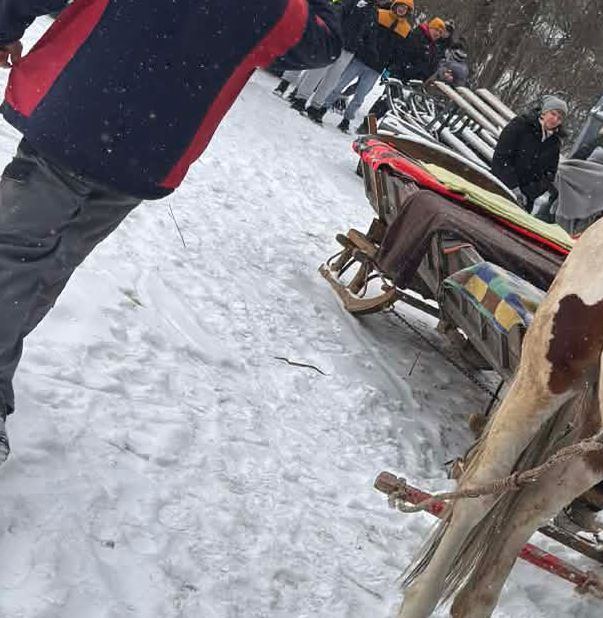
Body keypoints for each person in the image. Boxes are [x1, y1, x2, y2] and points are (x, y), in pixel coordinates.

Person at [0, 0, 341, 467]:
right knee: (48, 262)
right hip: (148, 146)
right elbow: (318, 40)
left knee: (20, 256)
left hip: (76, 106)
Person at [301, 0, 412, 132]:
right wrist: (362, 46)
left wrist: (389, 67)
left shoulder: (406, 29)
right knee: (338, 85)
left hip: (377, 67)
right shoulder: (379, 14)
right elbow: (366, 32)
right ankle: (322, 107)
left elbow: (399, 51)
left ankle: (348, 120)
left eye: (405, 8)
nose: (401, 10)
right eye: (400, 6)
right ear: (395, 5)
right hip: (360, 58)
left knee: (361, 96)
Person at [490, 95, 566, 207]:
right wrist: (513, 187)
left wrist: (529, 193)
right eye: (553, 114)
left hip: (525, 200)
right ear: (544, 112)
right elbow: (501, 157)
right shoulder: (521, 125)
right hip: (499, 186)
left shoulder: (554, 143)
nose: (555, 120)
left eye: (559, 118)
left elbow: (549, 175)